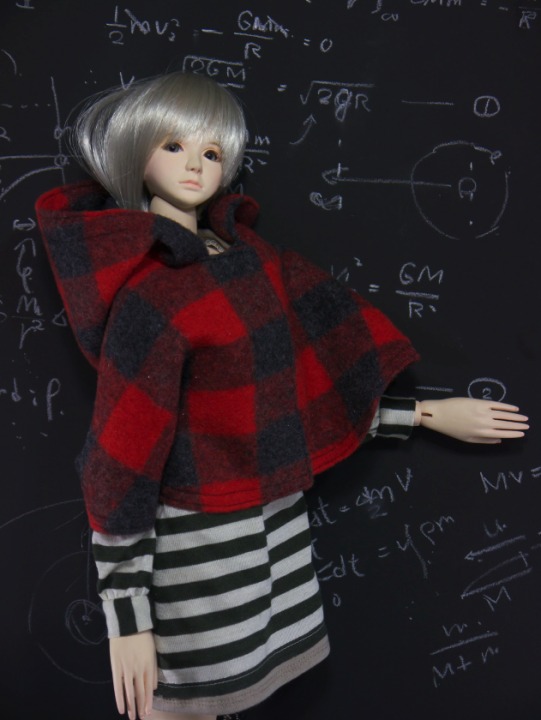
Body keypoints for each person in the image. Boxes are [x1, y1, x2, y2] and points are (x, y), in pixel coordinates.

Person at [35, 72, 528, 720]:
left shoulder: (253, 261)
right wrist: (126, 615)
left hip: (274, 526)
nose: (195, 164)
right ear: (136, 152)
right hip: (199, 540)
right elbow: (121, 455)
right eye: (173, 145)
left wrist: (426, 414)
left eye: (211, 151)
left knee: (246, 693)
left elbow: (293, 404)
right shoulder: (151, 295)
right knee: (181, 701)